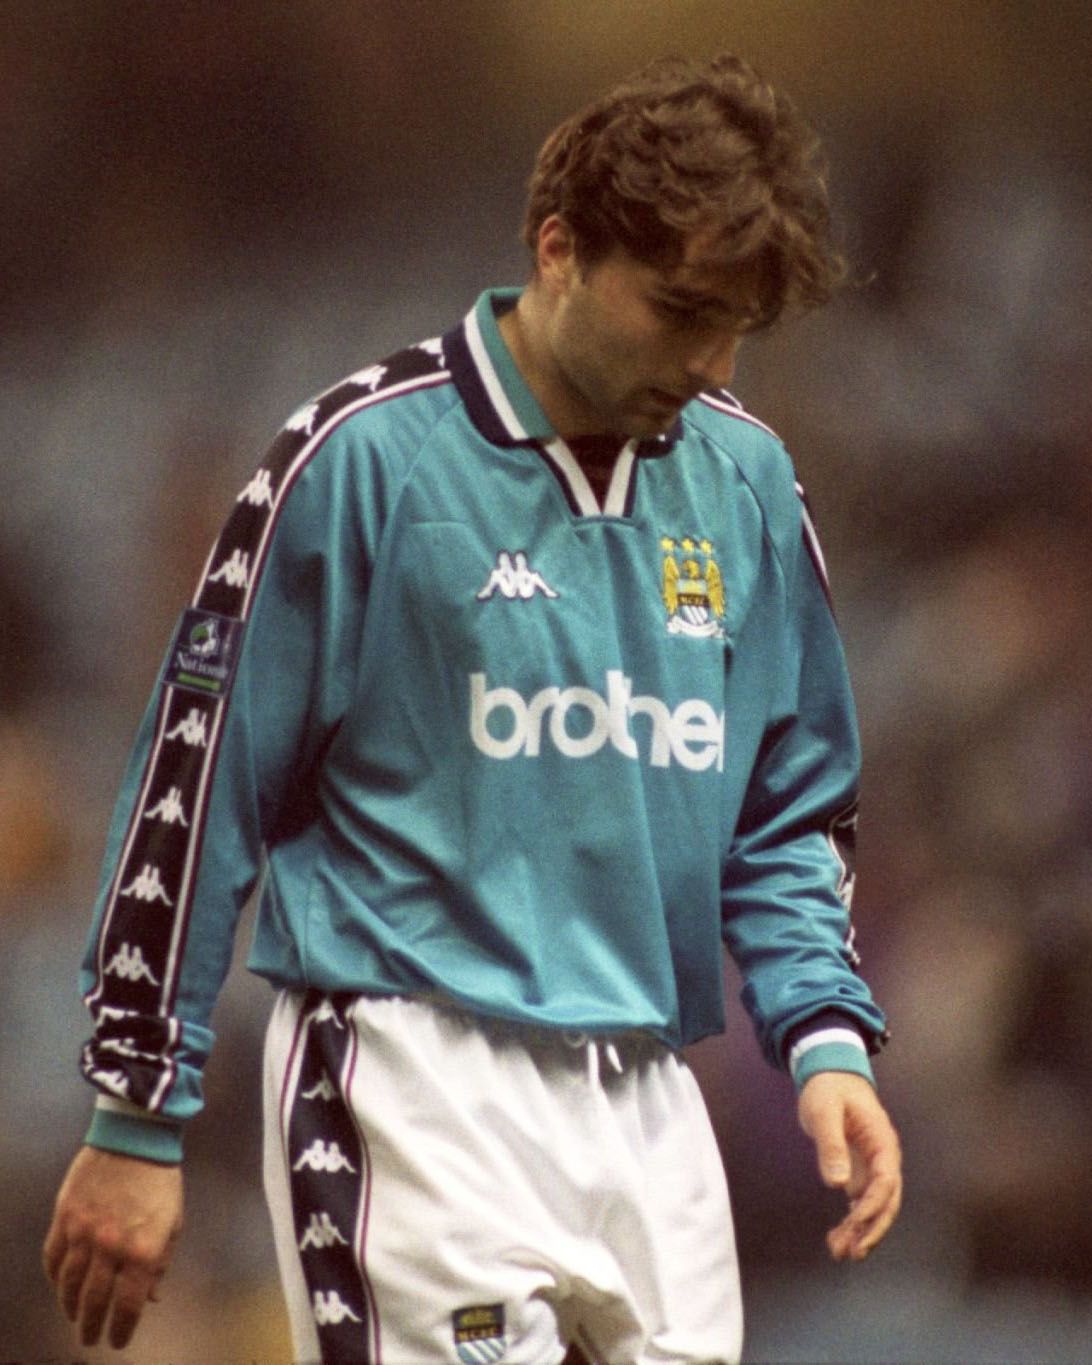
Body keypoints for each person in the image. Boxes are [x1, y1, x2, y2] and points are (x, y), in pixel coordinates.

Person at [44, 51, 901, 1364]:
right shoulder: (357, 460)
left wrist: (825, 1035)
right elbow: (200, 781)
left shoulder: (748, 483)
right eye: (681, 310)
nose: (711, 360)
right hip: (411, 1077)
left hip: (652, 1100)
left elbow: (787, 807)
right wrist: (135, 1111)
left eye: (738, 326)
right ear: (559, 249)